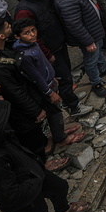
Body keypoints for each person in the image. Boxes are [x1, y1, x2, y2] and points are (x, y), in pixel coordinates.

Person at [0, 99, 89, 212]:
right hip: (22, 191)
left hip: (28, 169)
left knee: (59, 187)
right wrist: (36, 180)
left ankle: (63, 209)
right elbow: (11, 196)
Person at [0, 18, 60, 167]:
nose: (10, 26)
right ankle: (42, 164)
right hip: (20, 112)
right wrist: (35, 110)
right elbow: (16, 92)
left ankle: (45, 144)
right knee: (31, 136)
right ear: (1, 36)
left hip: (25, 100)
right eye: (7, 26)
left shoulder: (1, 50)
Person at [14, 0, 90, 117]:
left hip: (58, 44)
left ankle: (69, 99)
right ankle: (74, 108)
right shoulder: (24, 11)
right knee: (63, 78)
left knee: (67, 74)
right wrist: (47, 54)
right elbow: (31, 38)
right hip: (49, 51)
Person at [11, 19, 85, 148]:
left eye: (33, 30)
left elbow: (44, 64)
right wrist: (50, 93)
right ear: (17, 37)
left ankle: (59, 132)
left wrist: (53, 77)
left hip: (50, 81)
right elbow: (36, 78)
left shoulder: (33, 44)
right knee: (55, 113)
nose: (32, 34)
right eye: (26, 33)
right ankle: (60, 138)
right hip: (45, 89)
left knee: (56, 111)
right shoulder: (24, 55)